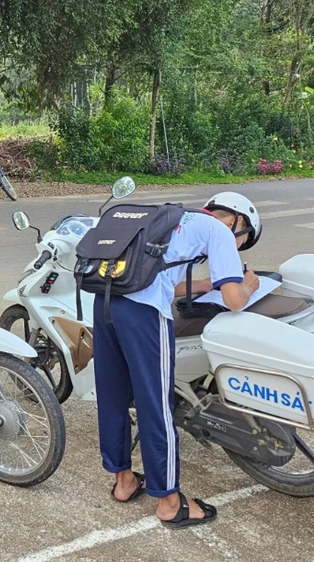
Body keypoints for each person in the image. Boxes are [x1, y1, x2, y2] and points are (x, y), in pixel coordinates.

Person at [94, 191, 262, 529]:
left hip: (106, 302)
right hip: (144, 315)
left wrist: (202, 283)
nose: (238, 247)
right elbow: (232, 300)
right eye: (242, 242)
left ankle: (124, 482)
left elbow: (161, 279)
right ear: (238, 221)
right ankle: (170, 503)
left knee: (112, 398)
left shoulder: (170, 217)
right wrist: (248, 285)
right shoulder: (219, 231)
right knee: (156, 404)